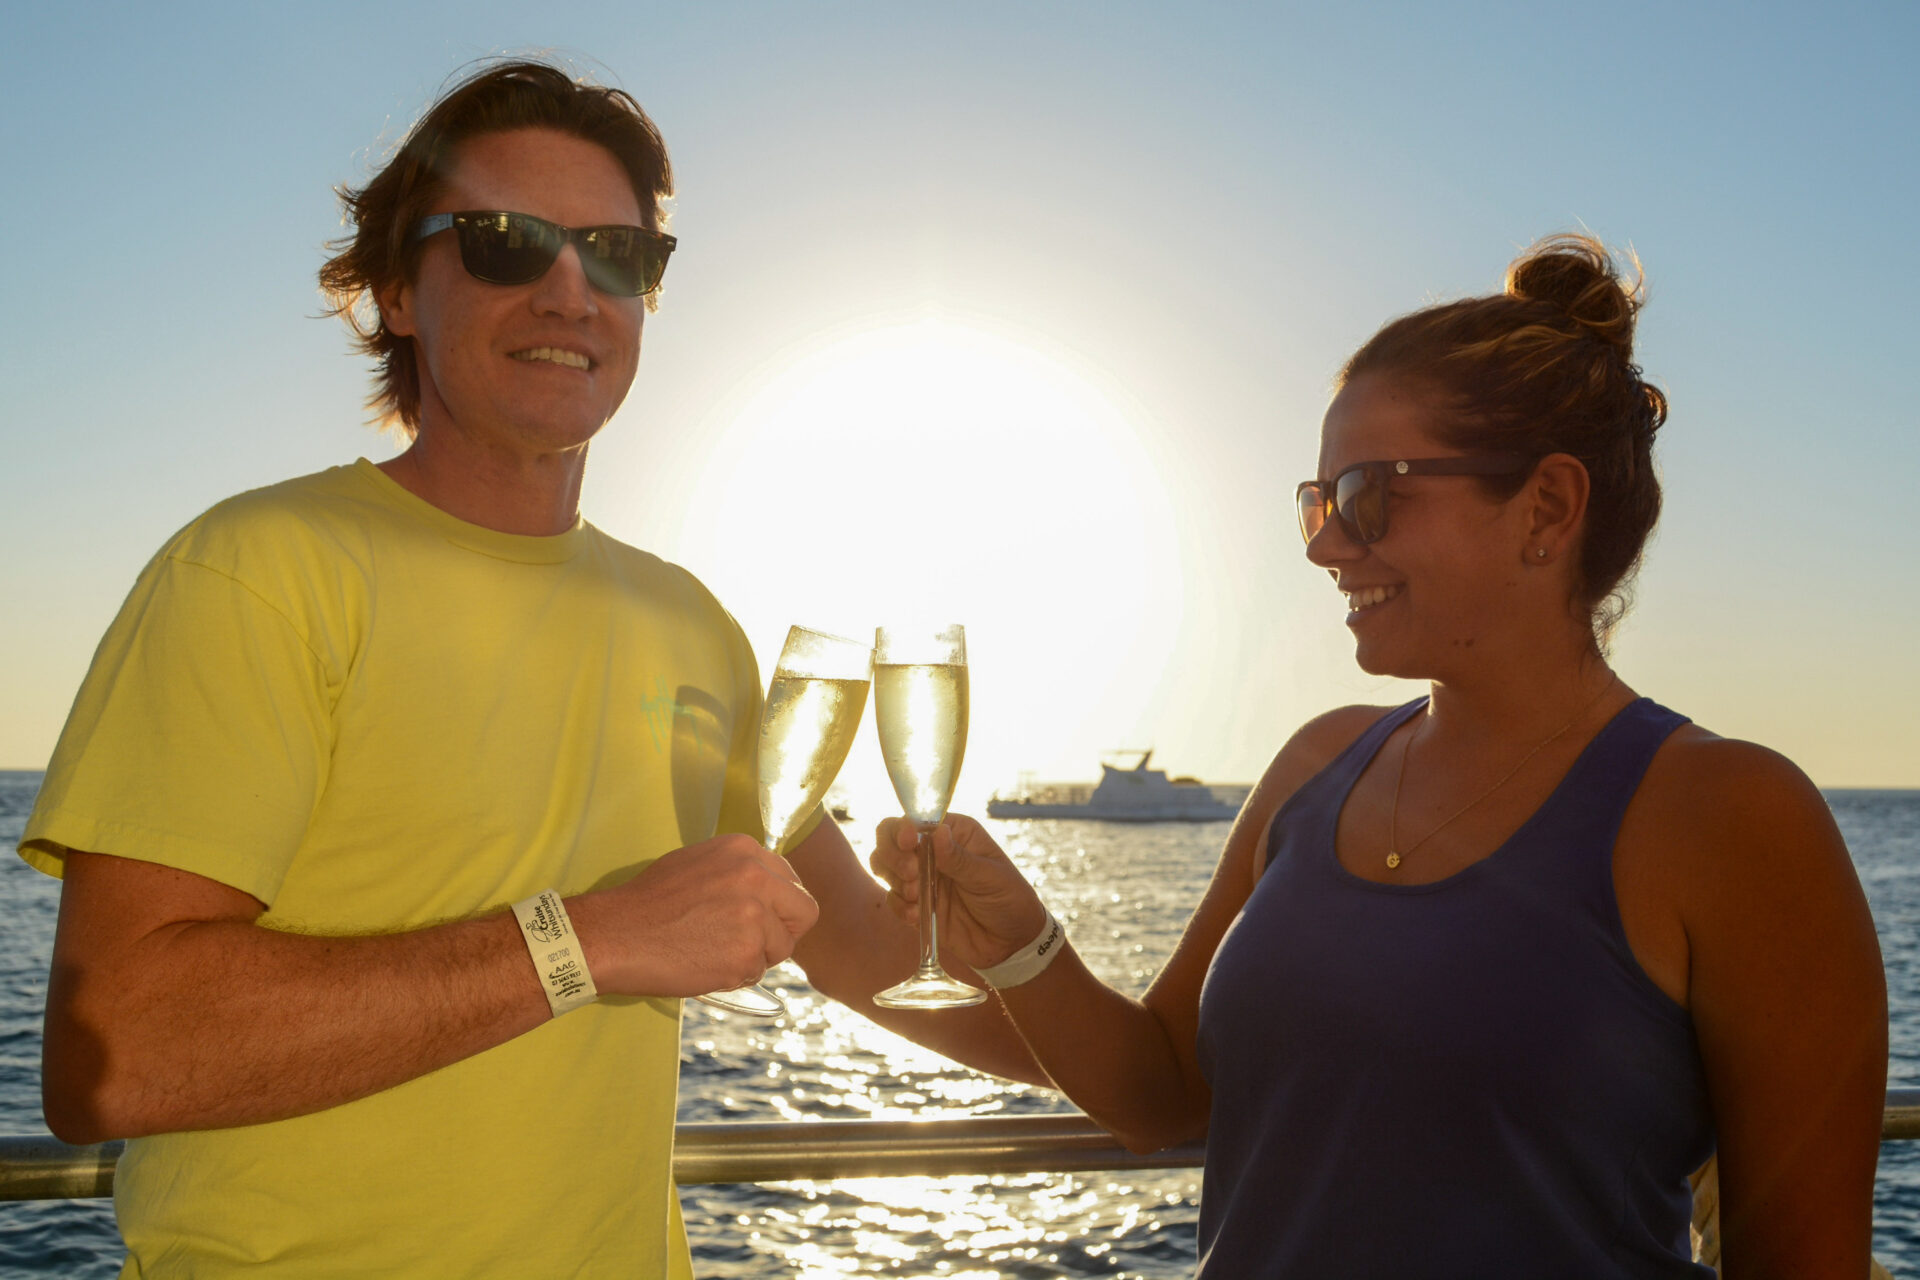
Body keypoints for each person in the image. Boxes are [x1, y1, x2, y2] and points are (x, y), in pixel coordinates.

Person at [23, 58, 1039, 1278]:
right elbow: (116, 1053)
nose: (571, 288)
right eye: (507, 243)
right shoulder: (258, 569)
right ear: (397, 288)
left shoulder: (689, 622)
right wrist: (586, 939)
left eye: (618, 253)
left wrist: (1145, 1040)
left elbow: (863, 949)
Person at [874, 234, 1889, 1278]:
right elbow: (1161, 1095)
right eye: (1316, 501)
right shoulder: (1321, 762)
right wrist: (1017, 933)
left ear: (1546, 507)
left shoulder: (1732, 814)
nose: (1322, 544)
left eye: (1365, 494)